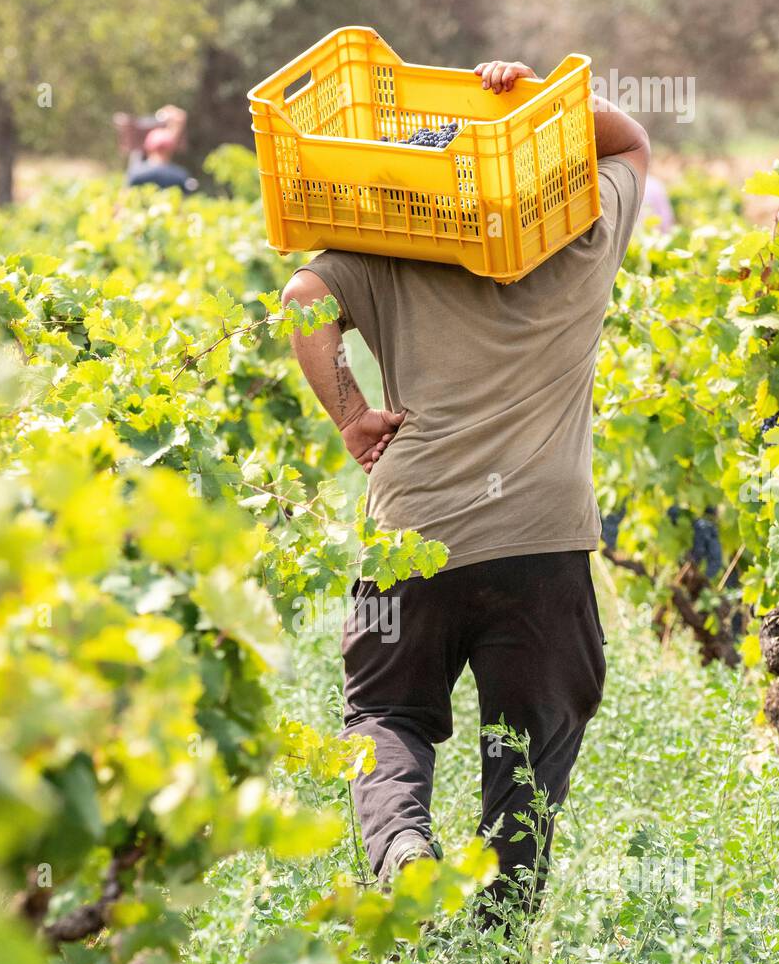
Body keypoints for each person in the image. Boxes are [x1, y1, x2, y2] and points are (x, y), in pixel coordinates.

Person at [282, 58, 650, 920]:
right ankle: (495, 926)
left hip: (415, 530)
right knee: (532, 741)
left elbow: (302, 300)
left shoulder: (389, 251)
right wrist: (532, 103)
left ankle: (404, 844)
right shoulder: (584, 240)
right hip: (542, 539)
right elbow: (629, 138)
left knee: (385, 713)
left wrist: (351, 414)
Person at [120, 105, 199, 195]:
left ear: (149, 148)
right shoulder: (180, 175)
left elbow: (125, 196)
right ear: (170, 150)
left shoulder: (136, 173)